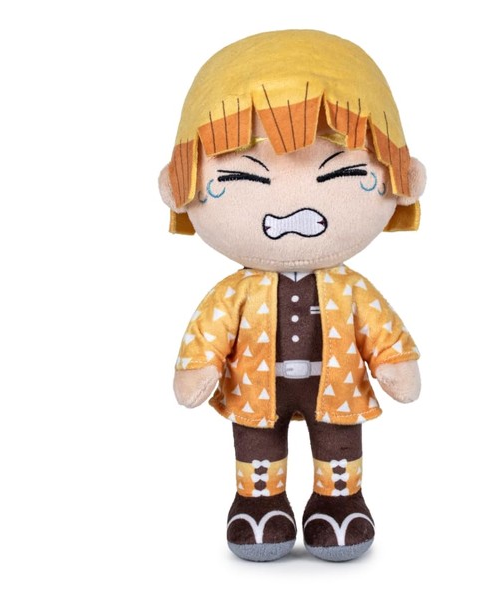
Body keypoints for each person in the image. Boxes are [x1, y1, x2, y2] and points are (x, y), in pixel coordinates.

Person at [158, 29, 426, 562]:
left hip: (336, 388)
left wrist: (395, 360)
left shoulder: (352, 290)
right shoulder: (236, 293)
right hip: (257, 391)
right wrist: (199, 365)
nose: (292, 207)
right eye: (242, 176)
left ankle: (339, 503)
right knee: (257, 449)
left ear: (404, 180)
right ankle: (260, 506)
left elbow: (380, 328)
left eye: (343, 172)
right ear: (178, 188)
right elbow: (210, 330)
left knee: (338, 447)